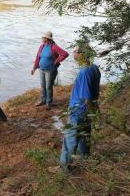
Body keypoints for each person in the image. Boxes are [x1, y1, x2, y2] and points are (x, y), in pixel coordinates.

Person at [50, 44, 101, 173]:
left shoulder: (84, 72)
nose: (73, 54)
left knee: (70, 140)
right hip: (87, 111)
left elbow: (86, 97)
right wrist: (94, 112)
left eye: (75, 52)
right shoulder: (94, 68)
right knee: (84, 137)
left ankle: (64, 168)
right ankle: (85, 161)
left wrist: (90, 111)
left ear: (82, 54)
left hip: (79, 111)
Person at [31, 31, 69, 109]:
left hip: (50, 70)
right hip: (41, 69)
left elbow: (65, 54)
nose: (41, 38)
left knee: (48, 87)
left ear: (47, 39)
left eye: (43, 37)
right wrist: (34, 68)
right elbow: (38, 57)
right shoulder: (42, 46)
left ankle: (49, 103)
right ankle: (43, 100)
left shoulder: (54, 46)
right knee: (43, 86)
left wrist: (56, 61)